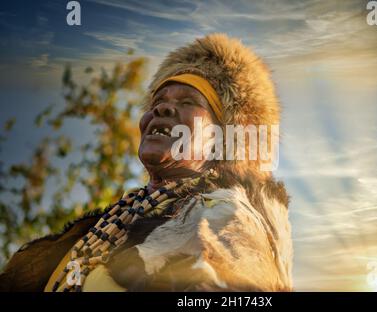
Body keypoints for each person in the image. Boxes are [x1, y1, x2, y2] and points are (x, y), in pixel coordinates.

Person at [0, 33, 293, 292]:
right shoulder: (104, 227)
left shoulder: (234, 221)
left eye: (189, 102)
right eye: (156, 103)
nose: (163, 107)